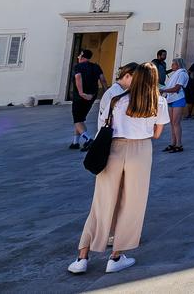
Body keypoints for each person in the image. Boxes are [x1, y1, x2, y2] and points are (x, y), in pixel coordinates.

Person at [68, 63, 167, 275]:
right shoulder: (158, 102)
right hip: (140, 150)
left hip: (113, 148)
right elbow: (157, 134)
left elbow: (104, 127)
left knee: (101, 202)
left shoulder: (117, 100)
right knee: (132, 203)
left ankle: (82, 257)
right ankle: (116, 257)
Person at [69, 48, 105, 150]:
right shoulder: (96, 66)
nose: (77, 57)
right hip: (91, 96)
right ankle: (75, 142)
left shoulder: (78, 66)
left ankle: (88, 139)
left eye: (79, 56)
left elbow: (78, 77)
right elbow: (103, 80)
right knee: (80, 119)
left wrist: (81, 93)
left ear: (82, 57)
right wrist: (107, 92)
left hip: (79, 97)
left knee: (77, 119)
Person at [160, 57, 188, 152]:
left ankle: (179, 145)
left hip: (178, 99)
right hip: (171, 99)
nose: (171, 66)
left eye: (173, 64)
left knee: (176, 123)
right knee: (172, 123)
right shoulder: (175, 74)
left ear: (178, 65)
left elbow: (176, 89)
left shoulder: (182, 74)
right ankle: (173, 143)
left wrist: (163, 90)